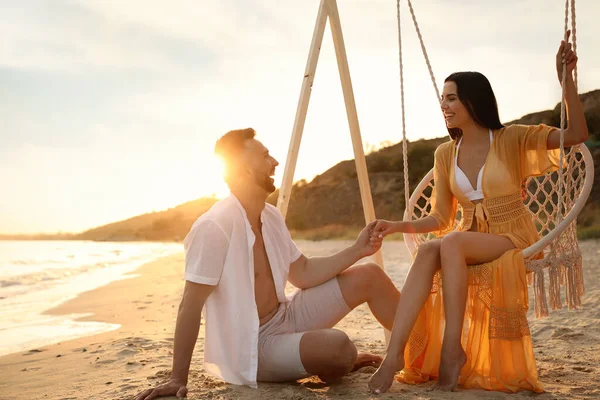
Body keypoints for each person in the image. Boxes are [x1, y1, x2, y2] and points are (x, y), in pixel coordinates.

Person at [367, 32, 588, 394]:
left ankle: (452, 350)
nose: (445, 105)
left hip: (511, 235)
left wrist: (567, 83)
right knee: (428, 249)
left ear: (474, 100)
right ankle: (394, 355)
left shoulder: (513, 138)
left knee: (451, 243)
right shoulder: (444, 154)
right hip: (465, 239)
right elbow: (439, 217)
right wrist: (395, 225)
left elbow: (576, 134)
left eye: (452, 98)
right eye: (443, 99)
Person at [135, 128, 400, 400]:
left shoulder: (270, 215)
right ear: (244, 168)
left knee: (370, 274)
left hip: (286, 316)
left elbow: (303, 273)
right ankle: (337, 360)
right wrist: (177, 378)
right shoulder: (213, 227)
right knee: (339, 346)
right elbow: (190, 305)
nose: (274, 162)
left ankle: (420, 357)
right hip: (254, 344)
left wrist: (359, 250)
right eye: (265, 156)